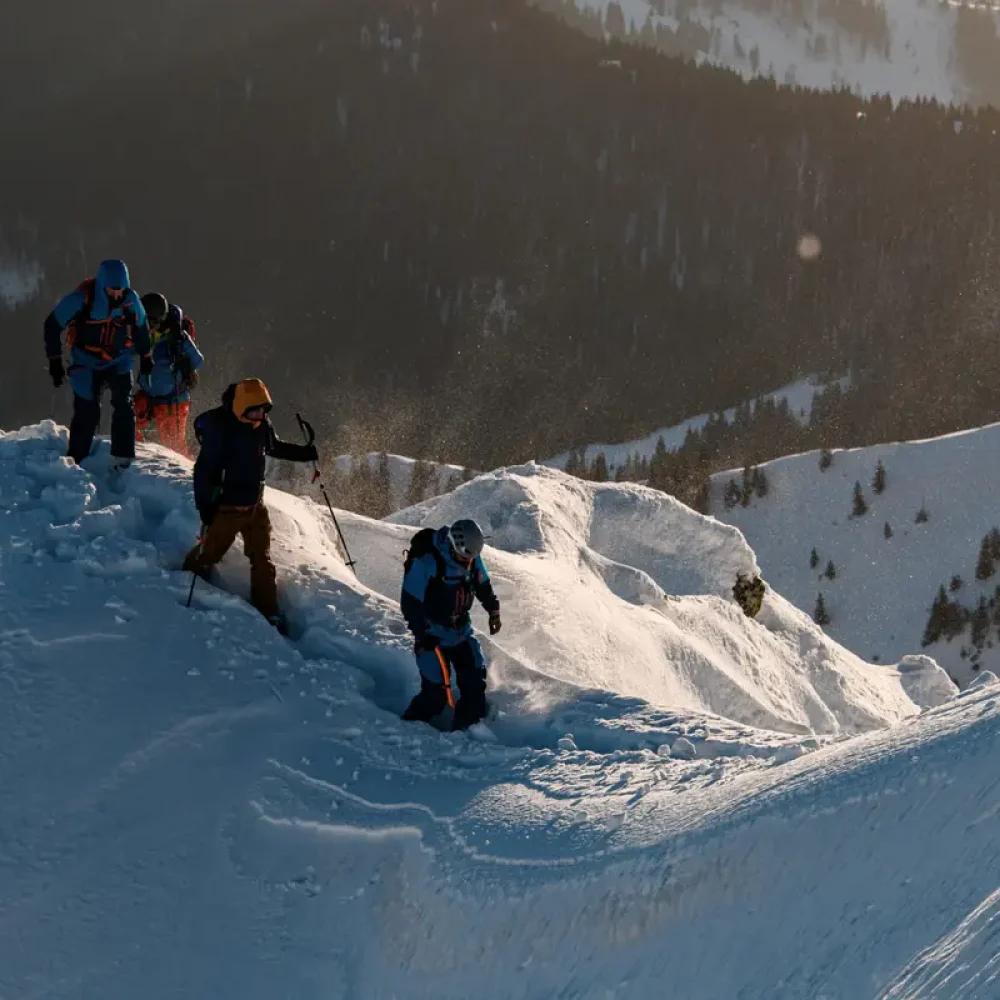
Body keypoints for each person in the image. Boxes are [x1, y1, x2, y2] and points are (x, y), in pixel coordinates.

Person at [182, 378, 318, 635]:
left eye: (264, 409)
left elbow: (273, 446)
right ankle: (185, 580)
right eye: (255, 409)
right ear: (241, 406)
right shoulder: (222, 430)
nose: (261, 414)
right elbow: (203, 472)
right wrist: (206, 508)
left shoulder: (261, 425)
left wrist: (303, 454)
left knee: (262, 558)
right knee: (210, 553)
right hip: (227, 508)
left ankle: (268, 611)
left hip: (256, 505)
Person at [43, 259, 152, 469]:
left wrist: (146, 357)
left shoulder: (130, 301)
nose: (117, 295)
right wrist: (55, 360)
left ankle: (123, 459)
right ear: (102, 287)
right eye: (112, 290)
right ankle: (76, 459)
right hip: (86, 361)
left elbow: (141, 327)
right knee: (87, 410)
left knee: (124, 404)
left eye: (121, 290)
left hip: (118, 359)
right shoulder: (82, 299)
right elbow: (52, 324)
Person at [400, 519, 502, 730]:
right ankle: (409, 728)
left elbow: (482, 583)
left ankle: (468, 731)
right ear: (453, 545)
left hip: (461, 632)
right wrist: (422, 633)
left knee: (474, 684)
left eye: (471, 558)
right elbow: (410, 603)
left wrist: (493, 610)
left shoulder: (471, 557)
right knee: (435, 694)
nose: (468, 562)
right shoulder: (428, 562)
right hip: (432, 636)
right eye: (464, 557)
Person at [135, 292, 204, 457]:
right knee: (128, 425)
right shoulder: (143, 335)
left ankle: (187, 476)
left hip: (173, 400)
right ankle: (140, 457)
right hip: (148, 395)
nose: (149, 325)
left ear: (161, 318)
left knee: (175, 447)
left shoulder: (177, 336)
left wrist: (183, 352)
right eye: (145, 320)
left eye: (152, 321)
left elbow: (198, 360)